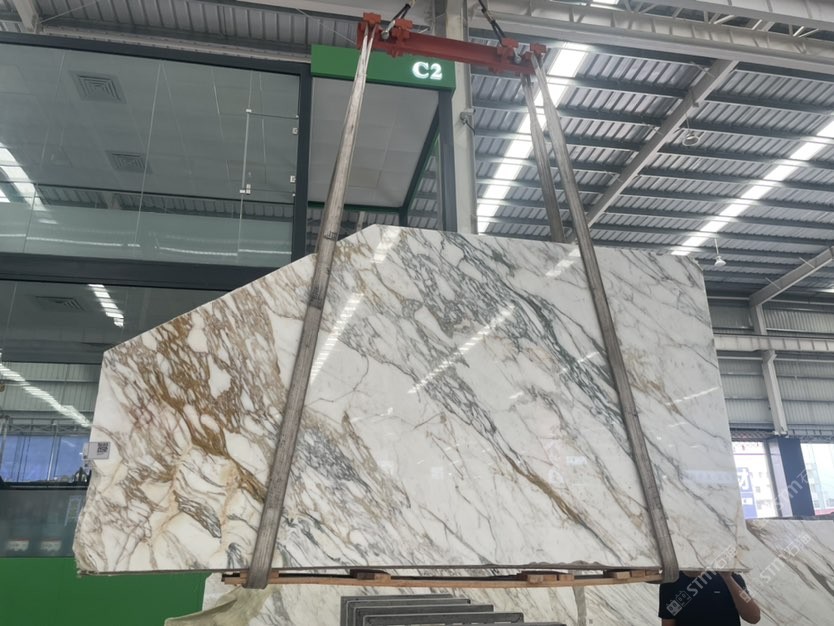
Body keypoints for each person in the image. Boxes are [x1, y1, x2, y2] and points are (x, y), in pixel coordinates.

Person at [659, 570, 761, 625]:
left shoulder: (730, 576)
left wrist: (728, 578)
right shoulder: (671, 583)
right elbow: (668, 622)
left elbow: (754, 617)